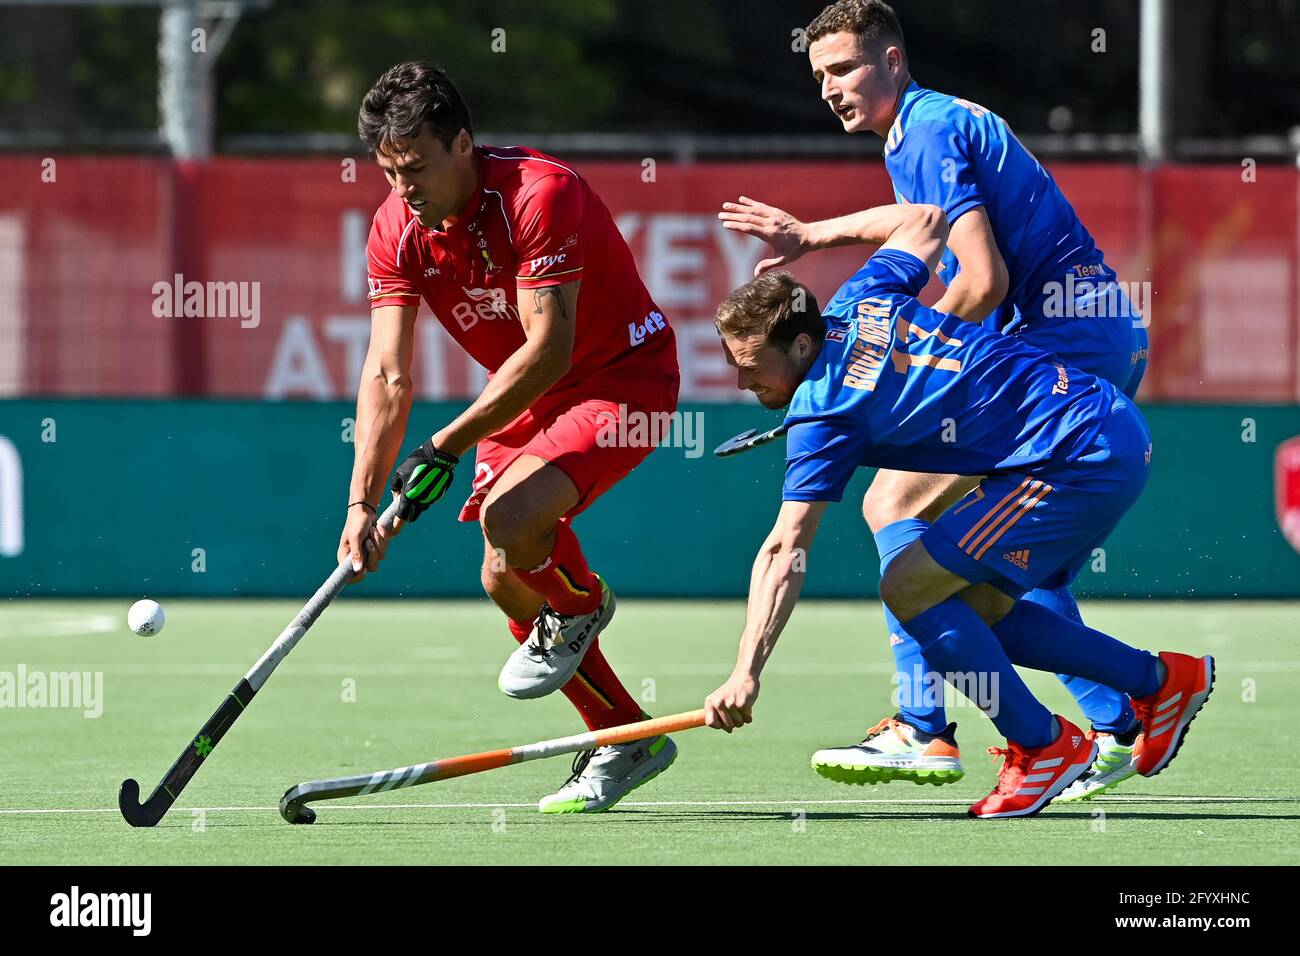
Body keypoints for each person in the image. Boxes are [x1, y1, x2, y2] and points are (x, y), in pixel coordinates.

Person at [716, 0, 1150, 800]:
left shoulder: (922, 132)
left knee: (892, 508)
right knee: (1002, 558)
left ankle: (925, 726)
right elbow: (921, 224)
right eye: (818, 77)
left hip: (1067, 346)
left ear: (891, 60)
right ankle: (1121, 717)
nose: (829, 90)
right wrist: (811, 237)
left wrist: (884, 368)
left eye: (843, 69)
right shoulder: (926, 123)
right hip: (1096, 338)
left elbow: (982, 282)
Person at [701, 202, 1212, 818]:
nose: (738, 381)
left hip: (1075, 455)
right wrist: (814, 235)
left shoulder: (823, 413)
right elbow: (922, 220)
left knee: (908, 586)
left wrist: (744, 671)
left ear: (802, 343)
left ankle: (1042, 745)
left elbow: (787, 548)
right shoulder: (862, 296)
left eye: (749, 365)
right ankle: (1160, 682)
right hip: (1096, 427)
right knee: (971, 615)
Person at [340, 61, 680, 812]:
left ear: (464, 144)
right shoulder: (396, 228)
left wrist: (447, 446)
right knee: (504, 575)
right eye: (390, 171)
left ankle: (582, 602)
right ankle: (628, 737)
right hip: (528, 400)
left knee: (514, 521)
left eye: (418, 167)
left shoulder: (539, 194)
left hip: (623, 378)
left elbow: (549, 347)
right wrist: (362, 503)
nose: (405, 187)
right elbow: (388, 374)